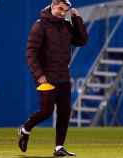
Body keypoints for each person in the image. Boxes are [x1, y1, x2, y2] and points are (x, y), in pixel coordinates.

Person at [18, 0, 88, 156]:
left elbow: (82, 40)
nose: (63, 13)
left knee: (65, 112)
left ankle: (59, 148)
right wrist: (39, 75)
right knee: (46, 111)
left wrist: (77, 19)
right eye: (60, 9)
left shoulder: (66, 25)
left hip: (63, 75)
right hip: (46, 77)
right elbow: (31, 53)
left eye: (66, 10)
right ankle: (25, 129)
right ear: (53, 5)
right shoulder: (40, 25)